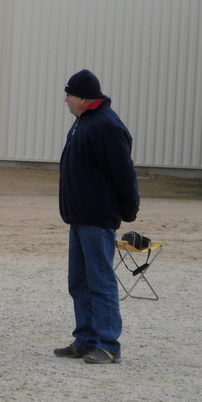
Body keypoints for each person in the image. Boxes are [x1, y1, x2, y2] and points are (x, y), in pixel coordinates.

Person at [54, 69, 140, 364]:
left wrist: (129, 209)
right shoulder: (84, 122)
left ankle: (107, 345)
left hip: (97, 218)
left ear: (83, 98)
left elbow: (123, 173)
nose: (65, 100)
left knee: (100, 281)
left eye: (69, 94)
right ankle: (85, 339)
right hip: (79, 218)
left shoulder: (106, 126)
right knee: (79, 282)